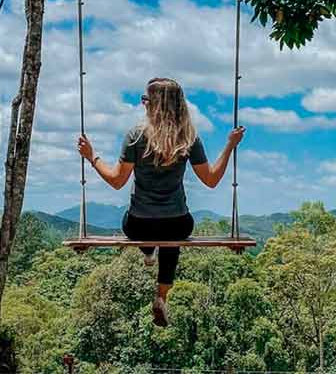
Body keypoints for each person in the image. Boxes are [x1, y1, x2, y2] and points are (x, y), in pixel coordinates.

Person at [77, 77, 246, 327]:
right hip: (178, 223)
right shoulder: (188, 138)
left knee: (141, 229)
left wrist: (92, 157)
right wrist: (230, 146)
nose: (142, 104)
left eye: (145, 100)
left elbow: (116, 181)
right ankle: (161, 297)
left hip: (139, 225)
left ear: (154, 105)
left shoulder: (136, 136)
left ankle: (147, 252)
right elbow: (211, 180)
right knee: (171, 240)